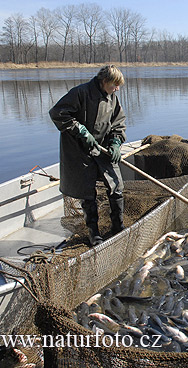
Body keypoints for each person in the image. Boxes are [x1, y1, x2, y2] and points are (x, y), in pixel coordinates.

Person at [50, 65, 127, 246]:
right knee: (87, 194)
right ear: (105, 81)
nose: (117, 89)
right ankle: (94, 233)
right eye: (115, 85)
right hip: (80, 152)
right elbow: (57, 113)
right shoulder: (80, 93)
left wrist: (115, 142)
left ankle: (118, 225)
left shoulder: (112, 99)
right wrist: (82, 131)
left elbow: (118, 124)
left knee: (116, 186)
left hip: (103, 150)